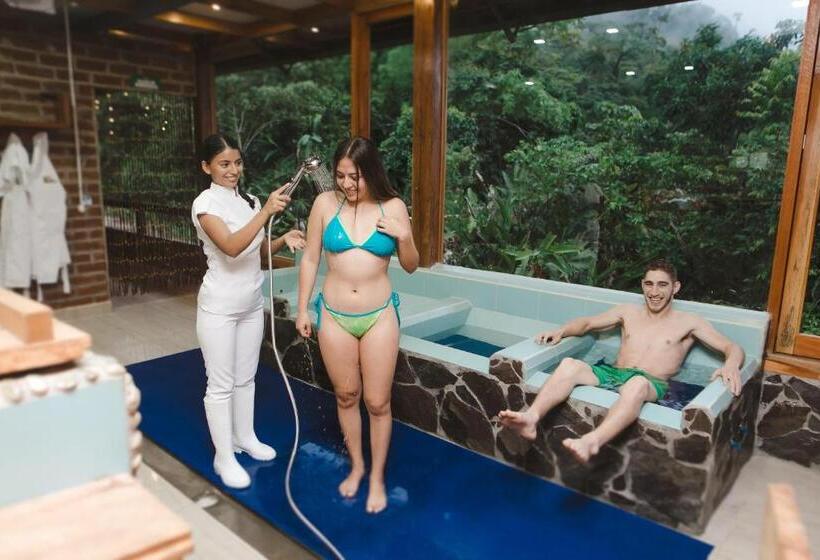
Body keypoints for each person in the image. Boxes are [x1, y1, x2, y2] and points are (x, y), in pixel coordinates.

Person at [498, 259, 744, 464]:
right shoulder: (628, 312)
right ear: (642, 285)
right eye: (649, 284)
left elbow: (732, 347)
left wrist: (731, 364)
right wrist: (561, 331)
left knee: (636, 384)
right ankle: (531, 418)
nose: (654, 292)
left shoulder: (689, 322)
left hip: (650, 382)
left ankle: (591, 442)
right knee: (569, 365)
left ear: (675, 287)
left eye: (662, 285)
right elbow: (588, 323)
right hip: (613, 373)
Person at [296, 136, 419, 513]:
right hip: (333, 315)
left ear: (372, 173)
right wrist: (302, 310)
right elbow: (310, 259)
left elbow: (411, 266)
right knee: (346, 395)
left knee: (377, 402)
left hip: (379, 315)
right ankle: (358, 466)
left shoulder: (392, 206)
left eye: (356, 177)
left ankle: (377, 477)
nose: (347, 184)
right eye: (341, 176)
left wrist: (404, 236)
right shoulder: (324, 204)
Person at [192, 134, 306, 489]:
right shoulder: (205, 204)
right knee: (221, 385)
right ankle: (224, 456)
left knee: (246, 378)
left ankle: (245, 437)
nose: (233, 170)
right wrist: (267, 212)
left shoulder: (251, 201)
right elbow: (230, 247)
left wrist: (282, 239)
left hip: (251, 304)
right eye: (224, 164)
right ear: (207, 167)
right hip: (220, 308)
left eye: (237, 163)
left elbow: (256, 252)